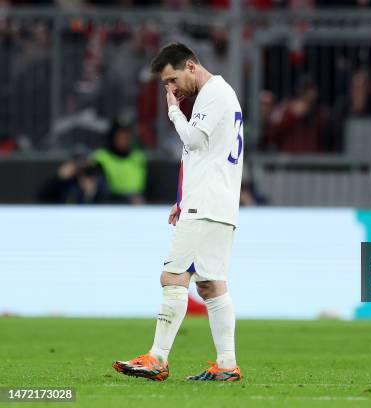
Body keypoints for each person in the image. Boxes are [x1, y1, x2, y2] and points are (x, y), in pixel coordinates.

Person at [112, 42, 244, 381]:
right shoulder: (222, 94)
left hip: (206, 204)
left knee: (172, 277)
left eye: (172, 80)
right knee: (212, 285)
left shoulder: (214, 93)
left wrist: (174, 111)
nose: (171, 89)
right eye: (166, 86)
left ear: (190, 65)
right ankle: (227, 365)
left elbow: (194, 141)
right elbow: (209, 154)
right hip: (218, 202)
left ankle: (157, 358)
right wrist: (182, 201)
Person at [91, 123, 147, 204]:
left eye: (126, 138)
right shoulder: (102, 157)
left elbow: (149, 185)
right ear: (113, 139)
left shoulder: (138, 158)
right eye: (120, 138)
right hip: (113, 203)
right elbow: (100, 190)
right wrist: (126, 199)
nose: (123, 141)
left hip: (139, 203)